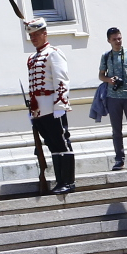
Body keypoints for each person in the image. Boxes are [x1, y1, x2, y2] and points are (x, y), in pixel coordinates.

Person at [24, 18, 75, 194]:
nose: (33, 38)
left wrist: (61, 104)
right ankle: (60, 180)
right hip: (39, 109)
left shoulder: (53, 53)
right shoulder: (32, 57)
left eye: (37, 34)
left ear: (45, 33)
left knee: (62, 143)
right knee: (52, 145)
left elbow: (62, 80)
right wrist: (32, 110)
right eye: (31, 35)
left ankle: (68, 181)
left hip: (53, 106)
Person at [98, 28, 127, 171]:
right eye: (115, 39)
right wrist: (109, 80)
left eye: (119, 38)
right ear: (109, 41)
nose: (118, 41)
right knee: (116, 131)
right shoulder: (106, 56)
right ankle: (119, 160)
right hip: (113, 97)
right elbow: (101, 76)